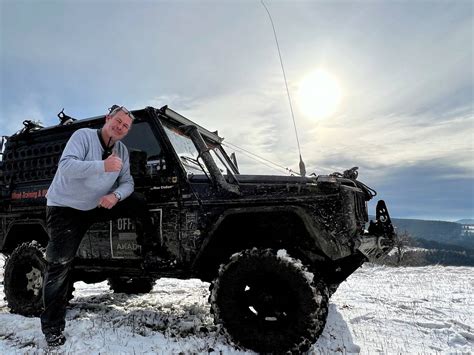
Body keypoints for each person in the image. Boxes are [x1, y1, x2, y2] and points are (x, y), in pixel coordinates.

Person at [40, 105, 161, 346]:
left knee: (136, 202)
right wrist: (102, 166)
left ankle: (151, 252)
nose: (120, 127)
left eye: (125, 126)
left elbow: (128, 183)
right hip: (65, 208)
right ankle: (52, 328)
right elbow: (66, 166)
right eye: (118, 121)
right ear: (108, 119)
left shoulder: (122, 151)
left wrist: (114, 196)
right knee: (59, 266)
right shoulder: (83, 136)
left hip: (96, 205)